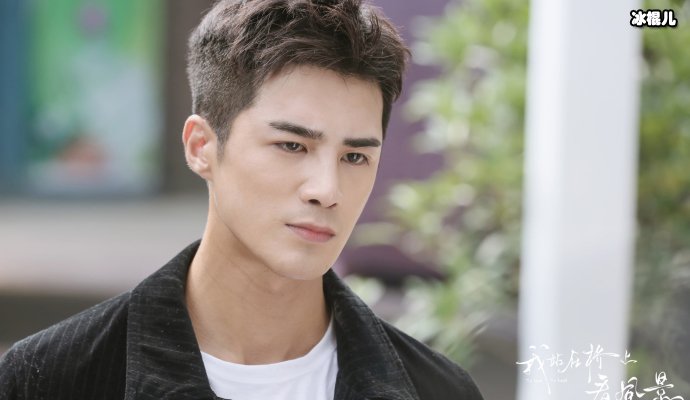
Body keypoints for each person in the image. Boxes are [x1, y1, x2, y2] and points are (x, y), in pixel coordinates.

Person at [0, 0, 484, 399]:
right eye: (292, 146)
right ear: (201, 147)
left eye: (355, 157)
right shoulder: (50, 380)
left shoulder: (437, 390)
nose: (327, 190)